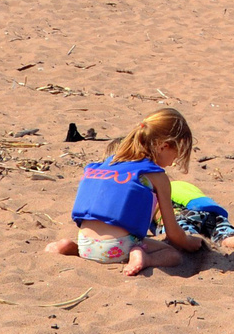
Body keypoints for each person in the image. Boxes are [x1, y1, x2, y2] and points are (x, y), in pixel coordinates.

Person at [46, 108, 205, 275]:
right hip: (118, 247)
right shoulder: (157, 177)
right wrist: (189, 242)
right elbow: (173, 234)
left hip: (86, 244)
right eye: (178, 152)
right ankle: (143, 257)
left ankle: (66, 246)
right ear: (164, 146)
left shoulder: (108, 164)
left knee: (95, 243)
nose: (175, 160)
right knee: (172, 255)